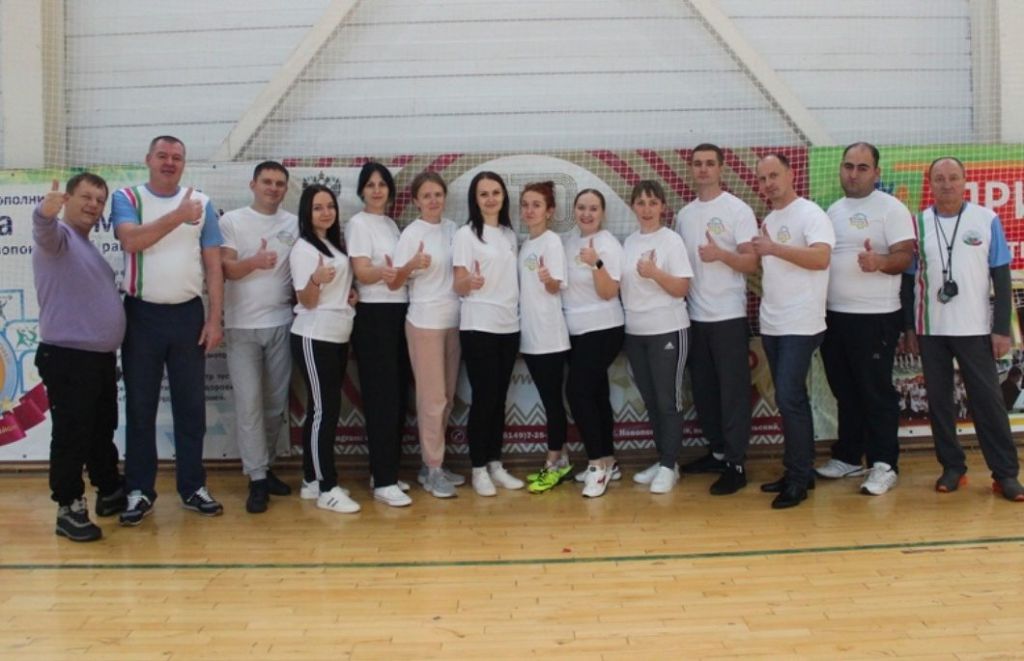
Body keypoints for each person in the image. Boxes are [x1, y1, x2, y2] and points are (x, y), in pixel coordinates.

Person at [112, 136, 225, 525]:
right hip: (141, 317)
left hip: (188, 317)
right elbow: (131, 240)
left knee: (191, 408)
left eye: (177, 157)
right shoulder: (127, 197)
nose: (169, 162)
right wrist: (178, 216)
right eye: (162, 155)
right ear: (148, 159)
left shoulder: (202, 203)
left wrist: (214, 319)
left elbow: (214, 265)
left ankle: (193, 487)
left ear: (184, 163)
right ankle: (139, 490)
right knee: (140, 407)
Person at [903, 156, 1024, 501]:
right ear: (930, 184)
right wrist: (908, 329)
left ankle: (1005, 475)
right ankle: (953, 468)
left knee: (988, 403)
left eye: (953, 177)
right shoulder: (918, 223)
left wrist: (1001, 329)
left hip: (975, 329)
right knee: (940, 404)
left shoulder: (986, 219)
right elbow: (908, 282)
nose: (947, 184)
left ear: (964, 181)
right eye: (939, 178)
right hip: (931, 329)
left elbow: (1002, 278)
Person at [816, 143, 916, 495]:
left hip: (876, 318)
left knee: (875, 393)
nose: (853, 174)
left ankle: (884, 463)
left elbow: (905, 257)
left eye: (862, 167)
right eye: (848, 166)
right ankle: (848, 456)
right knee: (845, 390)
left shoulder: (892, 208)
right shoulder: (833, 210)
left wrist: (880, 262)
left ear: (876, 173)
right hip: (835, 316)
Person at [33, 174, 126, 541]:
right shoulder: (58, 238)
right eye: (86, 197)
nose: (93, 205)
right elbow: (43, 230)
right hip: (68, 357)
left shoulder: (86, 247)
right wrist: (44, 213)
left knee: (100, 430)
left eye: (100, 200)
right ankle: (68, 507)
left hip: (97, 359)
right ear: (67, 199)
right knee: (72, 434)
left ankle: (109, 489)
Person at [752, 153, 835, 509]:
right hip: (773, 322)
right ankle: (796, 471)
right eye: (762, 178)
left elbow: (821, 258)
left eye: (774, 175)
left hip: (801, 323)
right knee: (788, 399)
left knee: (790, 397)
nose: (768, 183)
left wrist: (773, 248)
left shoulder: (811, 214)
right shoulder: (770, 219)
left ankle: (800, 478)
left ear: (790, 174)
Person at [675, 143, 758, 495]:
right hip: (695, 317)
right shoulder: (684, 215)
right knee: (705, 392)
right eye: (698, 163)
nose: (703, 169)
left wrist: (720, 254)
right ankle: (718, 452)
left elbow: (751, 262)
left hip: (728, 317)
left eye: (710, 163)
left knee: (733, 394)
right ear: (691, 169)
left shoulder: (737, 210)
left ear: (721, 168)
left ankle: (736, 464)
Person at [219, 161, 298, 513]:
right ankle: (256, 479)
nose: (273, 188)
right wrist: (255, 261)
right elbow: (226, 268)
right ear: (253, 184)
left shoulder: (294, 223)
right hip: (241, 327)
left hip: (282, 323)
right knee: (249, 403)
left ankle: (265, 468)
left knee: (274, 405)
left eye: (279, 183)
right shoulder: (232, 221)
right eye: (267, 181)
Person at [388, 171, 465, 499]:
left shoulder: (453, 230)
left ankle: (432, 464)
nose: (433, 200)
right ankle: (433, 469)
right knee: (432, 399)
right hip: (424, 323)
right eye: (427, 195)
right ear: (417, 201)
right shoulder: (411, 233)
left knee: (446, 397)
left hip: (453, 322)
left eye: (438, 194)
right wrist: (412, 264)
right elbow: (394, 281)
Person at [345, 162, 413, 507]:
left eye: (382, 184)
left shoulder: (389, 224)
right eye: (370, 185)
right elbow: (361, 272)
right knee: (381, 397)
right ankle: (383, 482)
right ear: (361, 190)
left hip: (398, 312)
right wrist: (389, 271)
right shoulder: (358, 224)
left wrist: (400, 271)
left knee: (397, 395)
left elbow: (393, 273)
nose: (376, 190)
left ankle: (384, 471)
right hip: (373, 316)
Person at [452, 171, 525, 497]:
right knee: (484, 398)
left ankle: (496, 463)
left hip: (509, 326)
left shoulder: (509, 234)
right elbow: (458, 283)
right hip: (479, 325)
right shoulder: (465, 235)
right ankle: (478, 467)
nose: (491, 198)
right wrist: (469, 282)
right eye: (484, 194)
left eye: (496, 192)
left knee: (499, 398)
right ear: (475, 199)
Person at [290, 184, 361, 514]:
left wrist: (348, 295)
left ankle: (311, 480)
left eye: (330, 206)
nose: (326, 212)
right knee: (324, 411)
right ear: (307, 212)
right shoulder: (303, 249)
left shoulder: (332, 244)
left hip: (337, 334)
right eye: (318, 207)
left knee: (323, 410)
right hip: (314, 335)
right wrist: (316, 280)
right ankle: (326, 488)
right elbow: (306, 300)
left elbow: (336, 289)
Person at [621, 180, 693, 494]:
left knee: (667, 400)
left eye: (653, 202)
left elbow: (682, 288)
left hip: (668, 328)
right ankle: (665, 460)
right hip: (635, 333)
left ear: (663, 206)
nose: (647, 209)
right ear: (633, 207)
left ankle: (668, 465)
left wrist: (655, 273)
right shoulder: (628, 242)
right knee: (651, 400)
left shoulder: (671, 241)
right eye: (641, 202)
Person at [562, 189, 625, 497]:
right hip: (576, 332)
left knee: (577, 392)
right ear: (574, 210)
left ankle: (597, 466)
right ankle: (609, 461)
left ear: (602, 213)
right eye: (582, 208)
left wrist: (597, 263)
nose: (587, 214)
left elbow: (609, 292)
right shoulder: (568, 243)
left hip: (603, 328)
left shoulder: (608, 244)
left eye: (593, 209)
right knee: (597, 394)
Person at [517, 181, 572, 494]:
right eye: (525, 204)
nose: (530, 210)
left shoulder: (552, 242)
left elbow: (555, 287)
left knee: (552, 402)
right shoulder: (526, 244)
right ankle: (562, 460)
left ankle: (553, 463)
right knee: (548, 399)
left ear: (549, 211)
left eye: (536, 205)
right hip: (530, 338)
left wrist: (549, 279)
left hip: (550, 338)